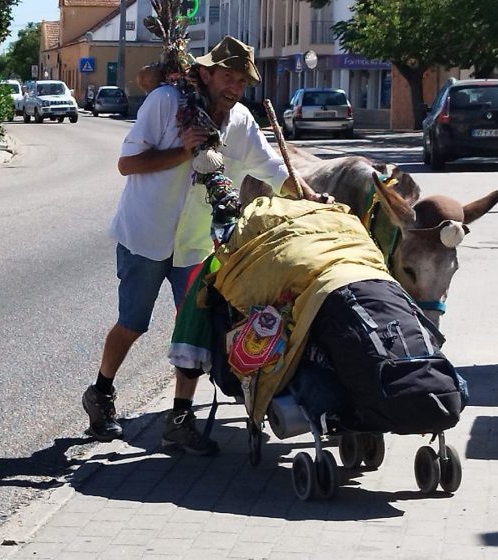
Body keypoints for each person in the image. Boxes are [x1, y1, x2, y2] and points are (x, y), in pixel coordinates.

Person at [82, 36, 325, 455]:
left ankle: (179, 419)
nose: (234, 87)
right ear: (206, 73)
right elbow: (127, 164)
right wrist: (184, 151)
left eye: (242, 81)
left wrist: (310, 196)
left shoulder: (241, 122)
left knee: (193, 329)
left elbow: (270, 169)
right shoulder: (164, 103)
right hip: (145, 233)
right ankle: (100, 392)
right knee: (132, 324)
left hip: (196, 243)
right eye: (228, 76)